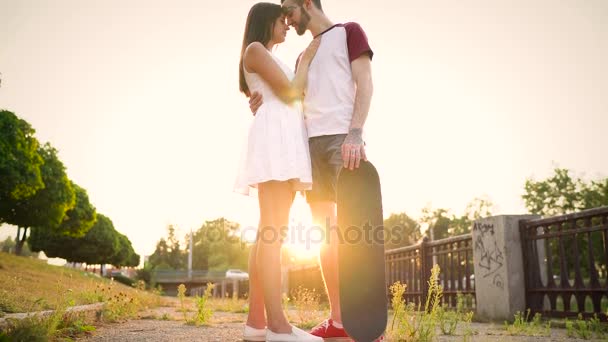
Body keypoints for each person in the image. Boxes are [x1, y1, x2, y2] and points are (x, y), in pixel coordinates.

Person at [249, 0, 375, 339]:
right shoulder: (301, 56)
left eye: (289, 9)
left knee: (354, 233)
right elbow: (288, 101)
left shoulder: (349, 32)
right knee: (326, 236)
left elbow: (365, 83)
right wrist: (258, 100)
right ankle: (338, 318)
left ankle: (365, 317)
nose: (286, 18)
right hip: (306, 148)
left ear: (307, 3)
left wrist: (356, 132)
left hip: (340, 140)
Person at [234, 3, 324, 342]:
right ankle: (277, 325)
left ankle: (257, 322)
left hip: (282, 139)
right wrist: (309, 56)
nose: (287, 25)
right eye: (281, 20)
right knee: (272, 231)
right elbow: (290, 93)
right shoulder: (255, 49)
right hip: (275, 141)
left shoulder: (265, 54)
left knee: (268, 231)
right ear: (265, 21)